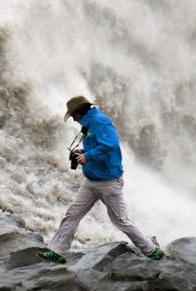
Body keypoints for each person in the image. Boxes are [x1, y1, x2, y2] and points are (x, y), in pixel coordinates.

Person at [37, 95, 164, 264]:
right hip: (92, 180)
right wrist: (83, 152)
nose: (74, 120)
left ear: (79, 113)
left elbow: (110, 145)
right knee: (73, 213)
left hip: (109, 182)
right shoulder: (89, 123)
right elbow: (99, 145)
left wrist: (87, 156)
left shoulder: (99, 122)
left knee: (121, 221)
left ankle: (152, 251)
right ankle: (56, 251)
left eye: (73, 116)